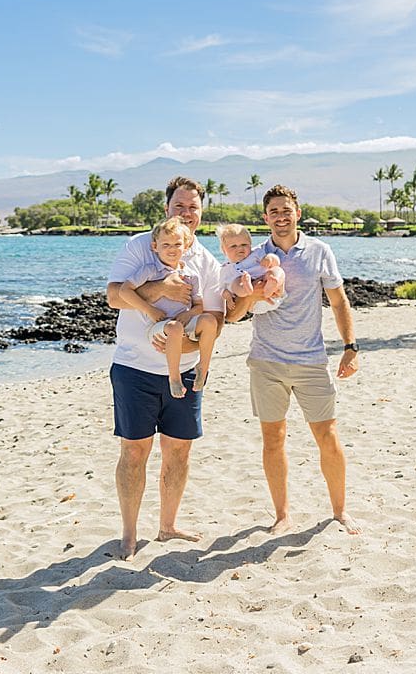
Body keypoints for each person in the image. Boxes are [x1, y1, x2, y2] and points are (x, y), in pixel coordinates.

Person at [227, 184, 361, 536]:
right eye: (274, 212)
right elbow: (233, 315)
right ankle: (282, 515)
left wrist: (350, 346)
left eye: (286, 210)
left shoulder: (319, 251)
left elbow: (338, 300)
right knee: (273, 439)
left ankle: (340, 512)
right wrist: (251, 295)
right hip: (266, 362)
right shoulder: (254, 257)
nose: (281, 217)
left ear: (297, 213)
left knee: (327, 435)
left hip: (311, 360)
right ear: (265, 218)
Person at [105, 177, 224, 560]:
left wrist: (182, 344)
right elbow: (113, 297)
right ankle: (129, 534)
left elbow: (214, 318)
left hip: (185, 370)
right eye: (179, 206)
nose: (186, 213)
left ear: (201, 213)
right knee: (134, 452)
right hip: (134, 368)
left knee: (178, 453)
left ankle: (168, 526)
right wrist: (159, 292)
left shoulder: (205, 261)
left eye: (193, 207)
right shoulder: (142, 246)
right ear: (167, 209)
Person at [118, 216, 219, 396]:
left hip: (183, 323)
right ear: (155, 246)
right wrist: (149, 310)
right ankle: (174, 378)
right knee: (174, 328)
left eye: (177, 244)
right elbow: (124, 291)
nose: (172, 249)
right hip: (158, 327)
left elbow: (198, 306)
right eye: (166, 245)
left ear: (186, 246)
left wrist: (188, 315)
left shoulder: (191, 275)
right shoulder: (150, 270)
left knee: (210, 321)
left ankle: (203, 368)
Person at [216, 223, 286, 313]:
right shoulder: (225, 269)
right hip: (253, 303)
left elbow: (276, 262)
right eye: (233, 246)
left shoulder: (256, 254)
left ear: (250, 245)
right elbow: (222, 289)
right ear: (223, 249)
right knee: (235, 283)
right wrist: (229, 298)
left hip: (273, 293)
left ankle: (274, 282)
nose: (240, 248)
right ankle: (246, 288)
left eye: (244, 244)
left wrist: (270, 258)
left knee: (277, 270)